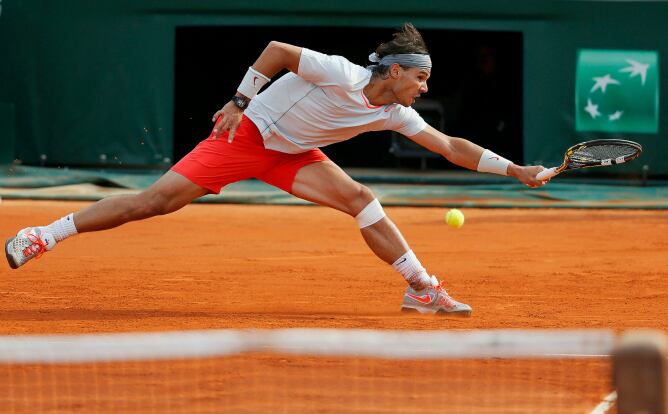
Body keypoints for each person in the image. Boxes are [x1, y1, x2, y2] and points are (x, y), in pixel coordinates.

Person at [5, 23, 546, 316]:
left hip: (293, 154)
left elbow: (451, 146)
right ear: (397, 70)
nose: (425, 88)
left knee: (359, 198)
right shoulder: (340, 72)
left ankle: (421, 288)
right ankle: (43, 235)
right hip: (248, 134)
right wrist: (239, 101)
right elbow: (277, 49)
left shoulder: (395, 113)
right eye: (421, 78)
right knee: (155, 203)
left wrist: (516, 170)